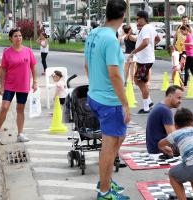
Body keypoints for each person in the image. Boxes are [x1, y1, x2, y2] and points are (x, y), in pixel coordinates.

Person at [84, 1, 131, 199]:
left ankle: (105, 180)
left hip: (95, 96)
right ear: (123, 16)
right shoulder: (111, 39)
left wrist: (96, 85)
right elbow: (114, 74)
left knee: (118, 139)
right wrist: (125, 103)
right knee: (109, 148)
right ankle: (104, 192)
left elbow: (87, 65)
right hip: (110, 101)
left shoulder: (94, 33)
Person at [0, 28, 38, 143]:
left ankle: (20, 134)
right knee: (4, 107)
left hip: (23, 84)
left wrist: (35, 82)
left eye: (20, 36)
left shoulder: (28, 51)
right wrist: (2, 86)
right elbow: (3, 70)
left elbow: (33, 67)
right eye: (15, 36)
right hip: (10, 85)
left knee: (20, 109)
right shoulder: (7, 52)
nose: (18, 38)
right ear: (11, 38)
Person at [128, 10, 160, 114]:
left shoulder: (146, 28)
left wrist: (134, 51)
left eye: (138, 19)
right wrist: (151, 46)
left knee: (140, 81)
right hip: (145, 59)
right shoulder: (150, 28)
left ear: (143, 18)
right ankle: (149, 102)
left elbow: (146, 42)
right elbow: (158, 38)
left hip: (145, 60)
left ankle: (147, 106)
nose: (137, 21)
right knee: (139, 80)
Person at [146, 85, 183, 154]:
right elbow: (173, 136)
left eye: (181, 98)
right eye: (178, 98)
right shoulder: (165, 110)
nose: (180, 101)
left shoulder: (160, 106)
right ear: (170, 96)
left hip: (153, 147)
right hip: (159, 149)